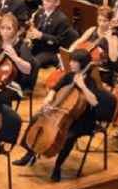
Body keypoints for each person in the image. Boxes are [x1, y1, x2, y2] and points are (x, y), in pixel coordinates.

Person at [16, 50, 101, 182]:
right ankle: (29, 154)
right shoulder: (69, 76)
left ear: (83, 64)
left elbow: (94, 102)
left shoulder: (90, 81)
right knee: (35, 119)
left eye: (74, 61)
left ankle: (57, 166)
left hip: (82, 119)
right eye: (71, 60)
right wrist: (48, 100)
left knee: (69, 136)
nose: (71, 63)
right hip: (61, 112)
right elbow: (55, 89)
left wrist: (82, 86)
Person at [27, 0, 72, 69]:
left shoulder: (62, 20)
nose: (44, 2)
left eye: (48, 1)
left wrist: (42, 36)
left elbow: (59, 41)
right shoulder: (40, 12)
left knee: (34, 62)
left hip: (50, 51)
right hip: (36, 46)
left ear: (57, 3)